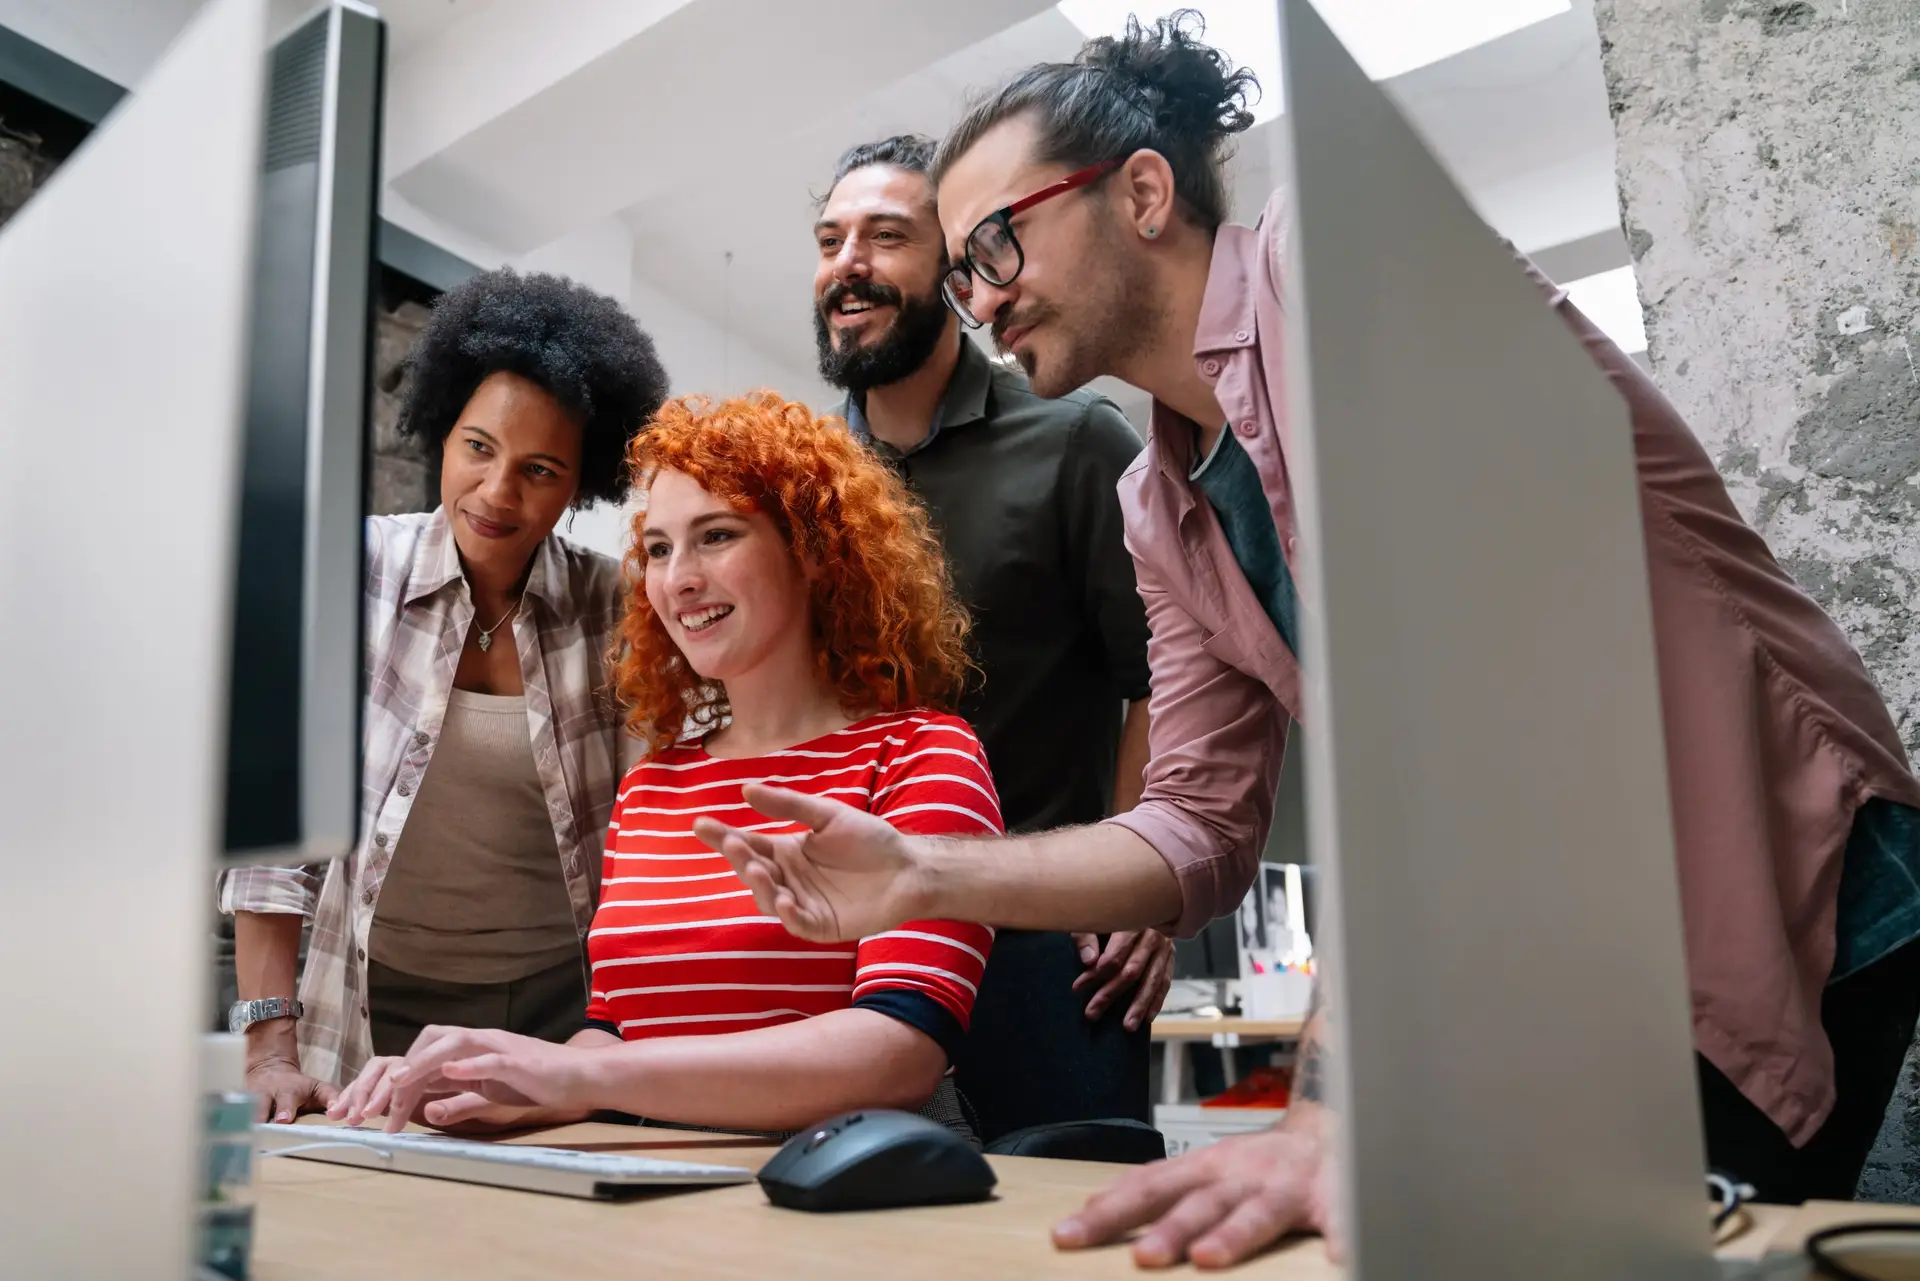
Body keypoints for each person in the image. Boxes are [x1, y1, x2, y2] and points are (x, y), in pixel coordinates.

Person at [698, 11, 1920, 1267]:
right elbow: (1195, 824)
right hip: (1583, 927)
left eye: (999, 242)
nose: (984, 296)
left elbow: (1462, 683)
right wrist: (923, 872)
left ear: (1145, 194)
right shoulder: (1157, 504)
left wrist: (1336, 1108)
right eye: (962, 273)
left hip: (1780, 863)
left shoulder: (1332, 267)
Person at [326, 393, 999, 1137]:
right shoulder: (654, 784)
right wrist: (479, 1077)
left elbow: (898, 1054)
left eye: (717, 536)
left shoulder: (923, 755)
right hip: (660, 1180)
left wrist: (579, 1072)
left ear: (815, 549)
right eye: (657, 547)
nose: (678, 579)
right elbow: (614, 1029)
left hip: (850, 1185)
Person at [218, 267, 669, 1123]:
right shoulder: (349, 572)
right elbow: (272, 841)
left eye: (540, 469)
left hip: (557, 1010)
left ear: (582, 483)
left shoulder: (618, 609)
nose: (499, 492)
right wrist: (267, 1047)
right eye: (478, 448)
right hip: (368, 996)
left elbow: (653, 832)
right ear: (442, 432)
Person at [812, 132, 1168, 1133]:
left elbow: (1163, 677)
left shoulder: (1076, 439)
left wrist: (1140, 878)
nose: (850, 264)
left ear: (957, 268)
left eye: (886, 237)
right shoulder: (799, 483)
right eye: (831, 239)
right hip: (849, 951)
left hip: (1050, 951)